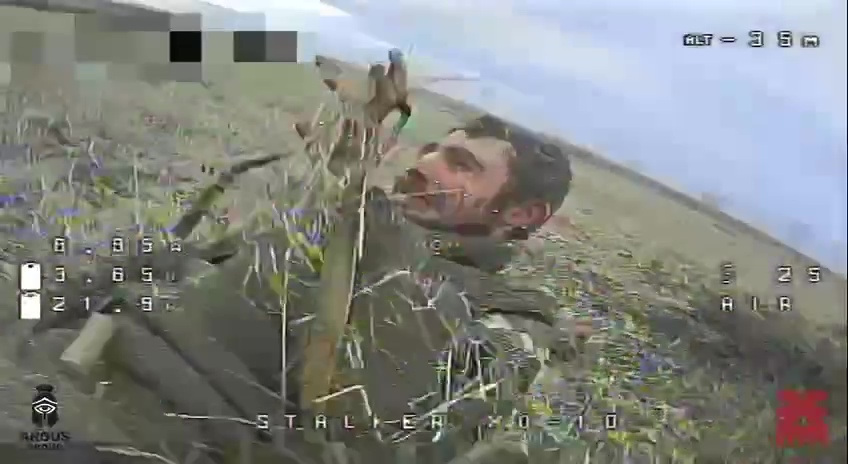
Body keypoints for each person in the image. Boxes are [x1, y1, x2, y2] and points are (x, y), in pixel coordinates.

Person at [25, 100, 574, 464]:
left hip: (146, 429)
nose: (423, 164)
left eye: (460, 165)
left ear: (522, 214)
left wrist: (379, 239)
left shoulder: (510, 320)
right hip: (71, 349)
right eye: (431, 149)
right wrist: (32, 305)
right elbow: (178, 263)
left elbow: (391, 442)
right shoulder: (345, 221)